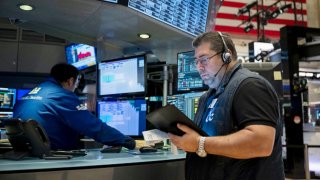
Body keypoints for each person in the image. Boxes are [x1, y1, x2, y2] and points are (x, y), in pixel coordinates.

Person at [168, 31, 284, 180]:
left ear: (226, 55)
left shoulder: (250, 86)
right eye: (196, 61)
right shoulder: (207, 97)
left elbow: (261, 142)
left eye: (204, 59)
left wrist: (199, 143)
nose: (199, 67)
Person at [13, 63, 135, 150]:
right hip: (52, 156)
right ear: (70, 81)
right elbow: (92, 126)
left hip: (27, 154)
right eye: (76, 84)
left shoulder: (33, 92)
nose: (75, 88)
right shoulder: (62, 96)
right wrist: (126, 141)